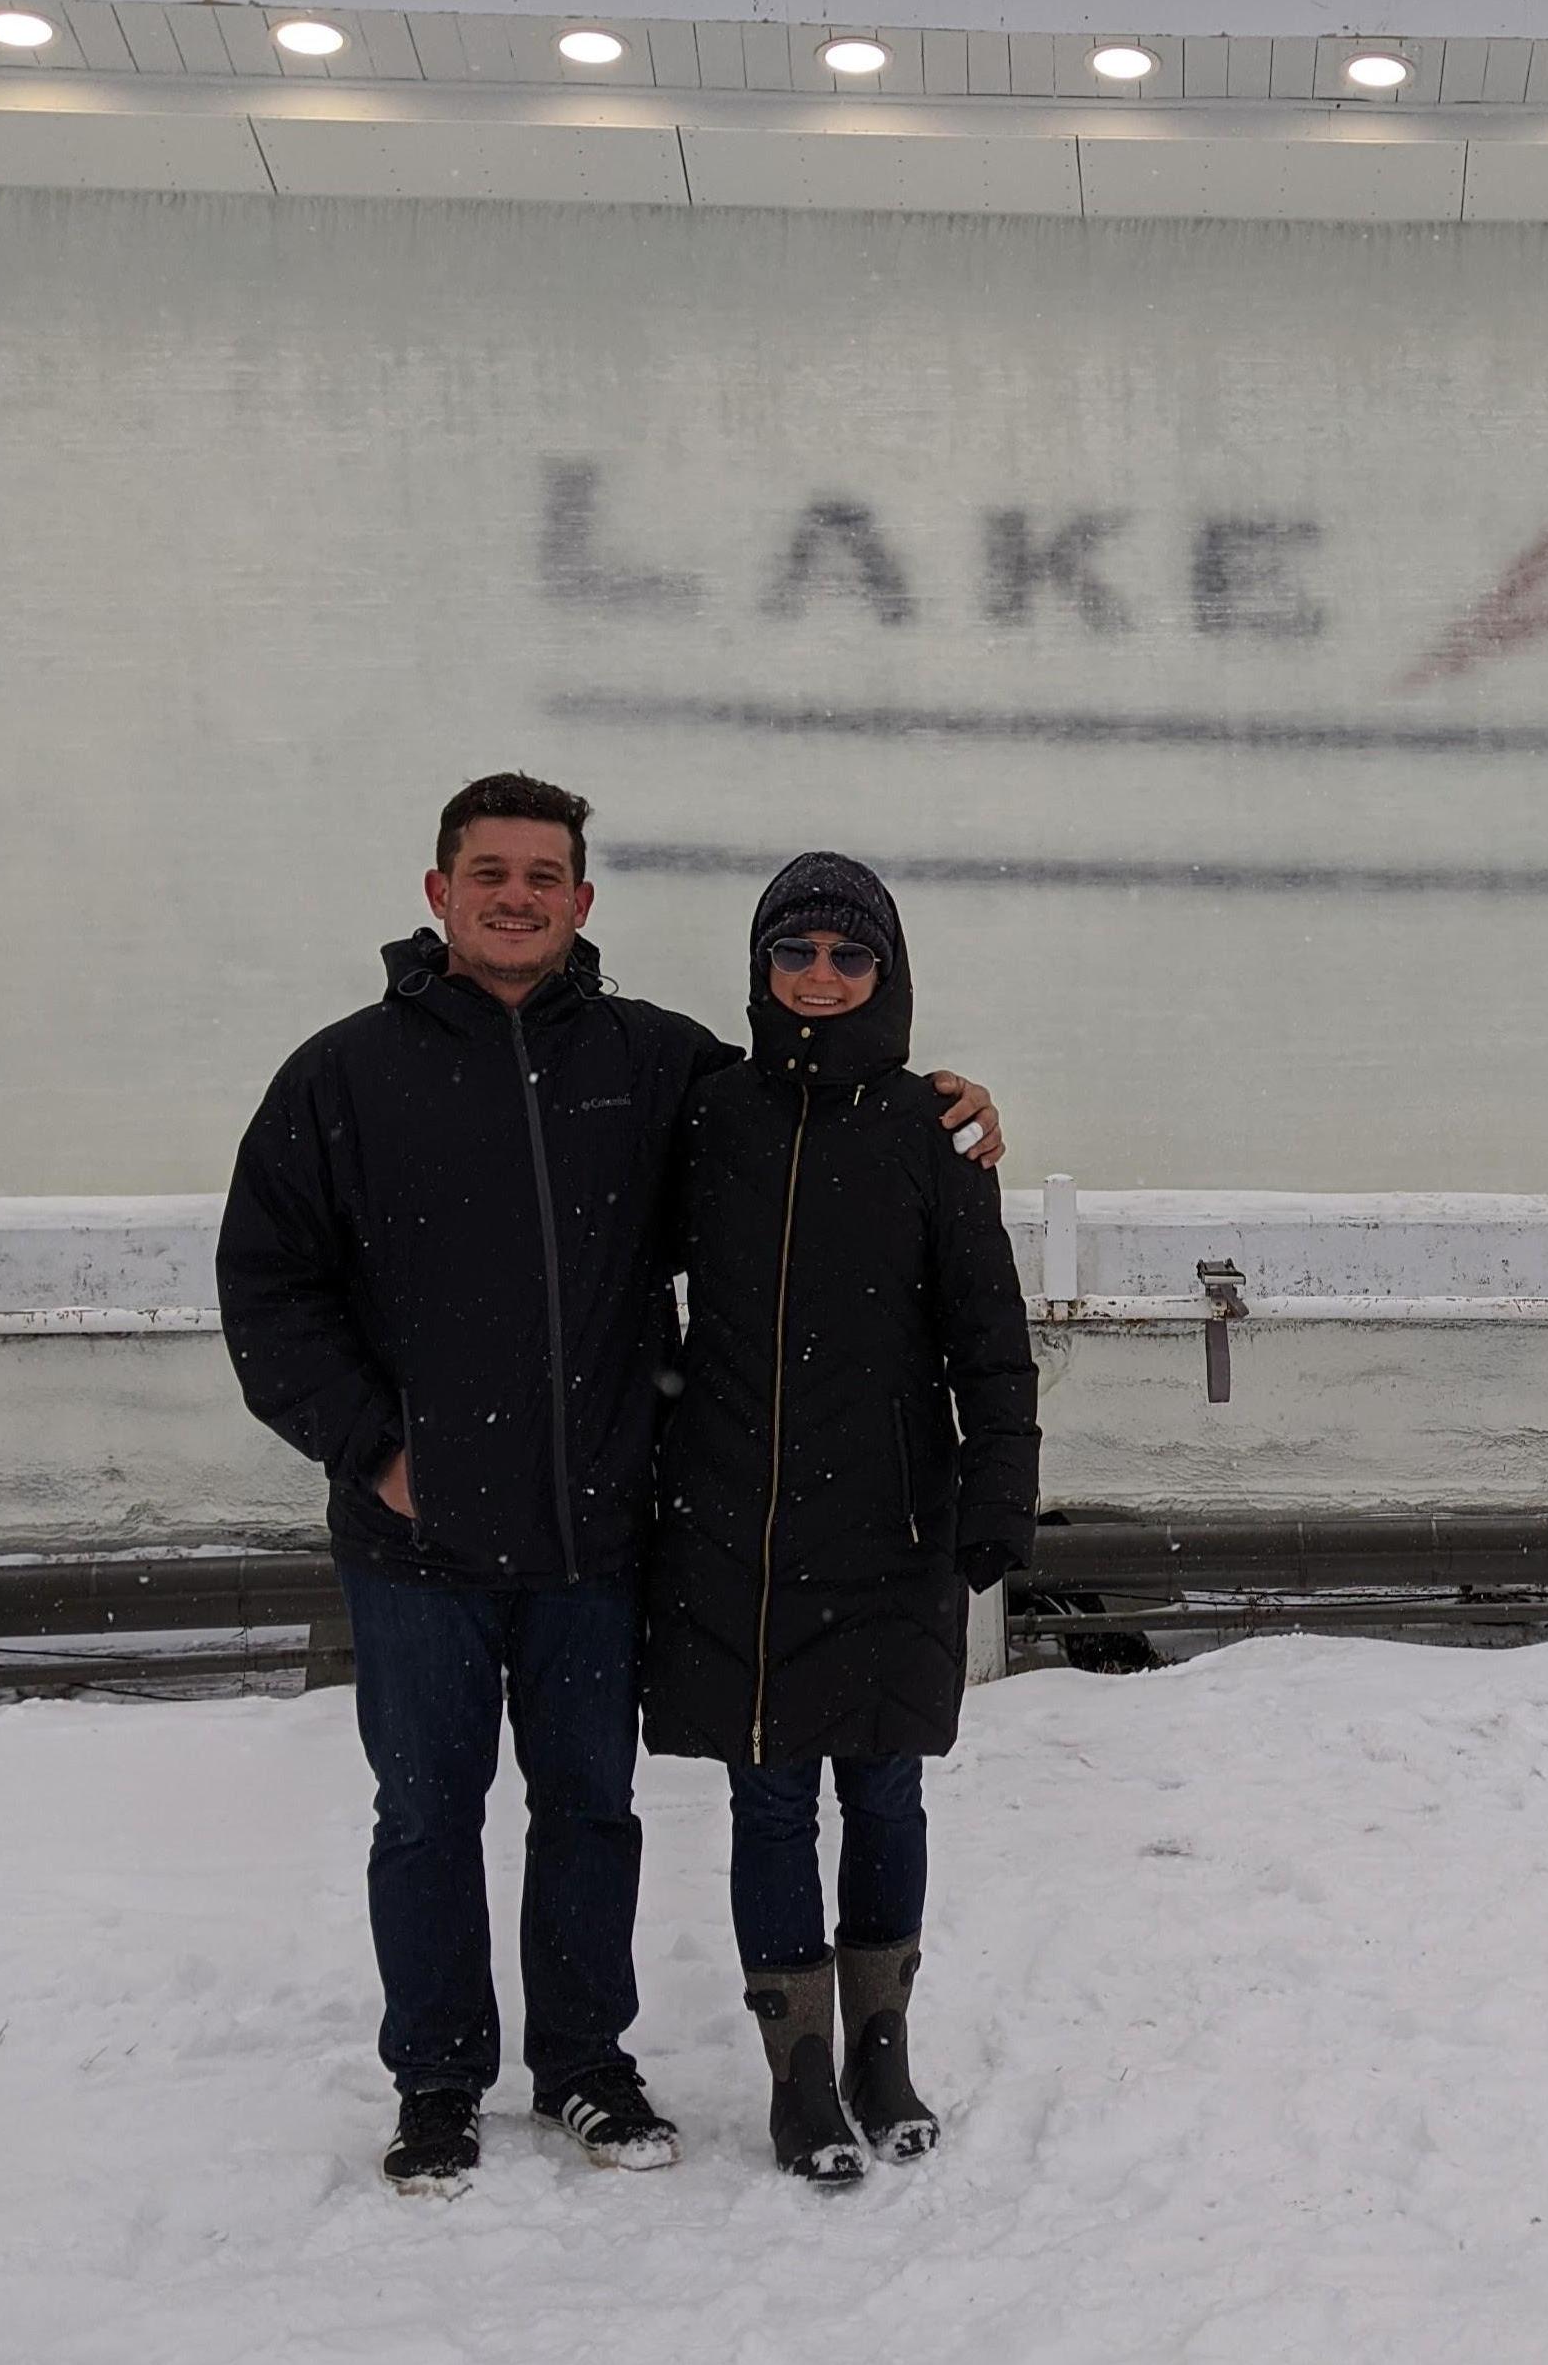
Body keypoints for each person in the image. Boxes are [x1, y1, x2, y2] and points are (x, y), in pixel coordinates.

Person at [216, 775, 1004, 2198]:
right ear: (438, 890)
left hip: (593, 1532)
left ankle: (584, 2062)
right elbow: (269, 1290)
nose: (515, 895)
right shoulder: (342, 1075)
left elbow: (811, 1096)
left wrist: (946, 1098)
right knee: (424, 1810)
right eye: (487, 871)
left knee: (588, 1806)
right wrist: (375, 1451)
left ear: (581, 903)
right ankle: (440, 2078)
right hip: (415, 1544)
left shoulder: (656, 1066)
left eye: (543, 875)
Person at [643, 853, 1040, 2186]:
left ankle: (881, 2044)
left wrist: (997, 1487)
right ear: (760, 967)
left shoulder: (931, 1132)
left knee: (882, 1792)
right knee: (767, 1801)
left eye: (846, 955)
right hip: (738, 1522)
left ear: (887, 971)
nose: (819, 976)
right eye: (793, 951)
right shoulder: (710, 1116)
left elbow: (988, 1338)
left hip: (888, 1520)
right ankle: (797, 2071)